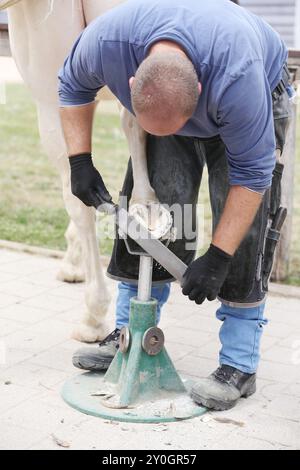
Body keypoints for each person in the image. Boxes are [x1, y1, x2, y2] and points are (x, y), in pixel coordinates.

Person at [58, 0, 292, 411]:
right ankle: (130, 335)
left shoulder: (238, 79)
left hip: (250, 96)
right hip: (170, 97)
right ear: (130, 82)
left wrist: (218, 257)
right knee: (155, 214)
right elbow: (71, 85)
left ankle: (239, 365)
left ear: (199, 93)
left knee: (243, 235)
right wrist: (80, 160)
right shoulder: (105, 42)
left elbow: (252, 178)